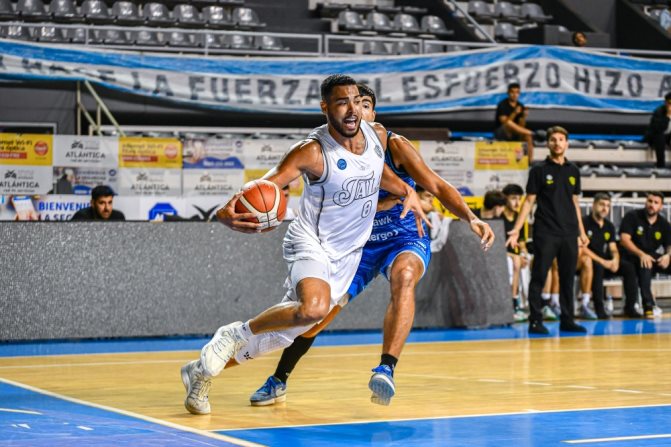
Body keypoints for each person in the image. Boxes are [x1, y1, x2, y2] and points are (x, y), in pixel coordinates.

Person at [180, 74, 433, 415]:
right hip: (311, 240)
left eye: (357, 102)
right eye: (343, 102)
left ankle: (201, 372)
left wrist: (408, 192)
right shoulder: (312, 150)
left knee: (286, 333)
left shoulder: (374, 141)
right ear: (325, 107)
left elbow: (382, 177)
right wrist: (227, 210)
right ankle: (235, 334)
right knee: (313, 309)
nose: (353, 110)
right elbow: (270, 182)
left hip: (347, 254)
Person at [246, 83, 493, 407]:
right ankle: (279, 379)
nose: (356, 111)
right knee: (315, 319)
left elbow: (435, 184)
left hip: (403, 235)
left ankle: (386, 368)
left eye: (363, 104)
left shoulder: (395, 145)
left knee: (405, 277)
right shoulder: (331, 152)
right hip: (356, 243)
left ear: (373, 114)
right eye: (350, 104)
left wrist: (471, 217)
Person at [507, 126, 590, 335]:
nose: (557, 143)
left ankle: (568, 320)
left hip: (569, 232)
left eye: (561, 139)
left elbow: (575, 202)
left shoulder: (573, 171)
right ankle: (535, 320)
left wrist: (581, 232)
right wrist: (516, 229)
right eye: (553, 139)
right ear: (548, 143)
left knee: (568, 277)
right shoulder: (539, 170)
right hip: (546, 232)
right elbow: (529, 202)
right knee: (539, 276)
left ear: (567, 143)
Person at [578, 193, 642, 319]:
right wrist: (603, 262)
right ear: (594, 205)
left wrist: (615, 260)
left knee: (628, 267)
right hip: (588, 261)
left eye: (608, 206)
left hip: (604, 260)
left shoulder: (609, 226)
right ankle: (599, 309)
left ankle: (630, 307)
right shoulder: (584, 223)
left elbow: (613, 248)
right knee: (597, 267)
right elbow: (582, 249)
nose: (605, 208)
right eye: (602, 205)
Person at [619, 191, 671, 318]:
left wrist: (668, 255)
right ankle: (648, 306)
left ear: (661, 206)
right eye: (650, 201)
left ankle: (649, 304)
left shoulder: (664, 224)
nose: (652, 205)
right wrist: (641, 254)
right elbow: (624, 239)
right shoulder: (632, 216)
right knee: (646, 264)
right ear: (645, 202)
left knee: (652, 260)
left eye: (656, 203)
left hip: (651, 255)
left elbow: (669, 245)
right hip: (631, 255)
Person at [501, 184, 529, 322]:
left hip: (516, 255)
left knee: (525, 262)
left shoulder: (519, 218)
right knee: (515, 263)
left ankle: (525, 304)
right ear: (505, 198)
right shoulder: (499, 216)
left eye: (519, 199)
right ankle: (513, 304)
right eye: (513, 198)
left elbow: (522, 242)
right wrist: (515, 256)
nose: (517, 203)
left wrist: (524, 254)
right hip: (502, 253)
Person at [494, 83, 535, 162]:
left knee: (527, 136)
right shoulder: (502, 105)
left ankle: (530, 162)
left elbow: (521, 126)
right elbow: (504, 123)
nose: (514, 95)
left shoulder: (520, 105)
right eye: (512, 92)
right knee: (509, 123)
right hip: (502, 132)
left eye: (517, 92)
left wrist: (524, 117)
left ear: (519, 94)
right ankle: (531, 132)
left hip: (515, 132)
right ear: (508, 93)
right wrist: (514, 113)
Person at [644, 92, 671, 168]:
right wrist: (668, 117)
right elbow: (659, 128)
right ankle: (660, 164)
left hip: (668, 136)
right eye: (670, 102)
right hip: (655, 136)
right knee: (660, 137)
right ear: (665, 103)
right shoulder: (659, 111)